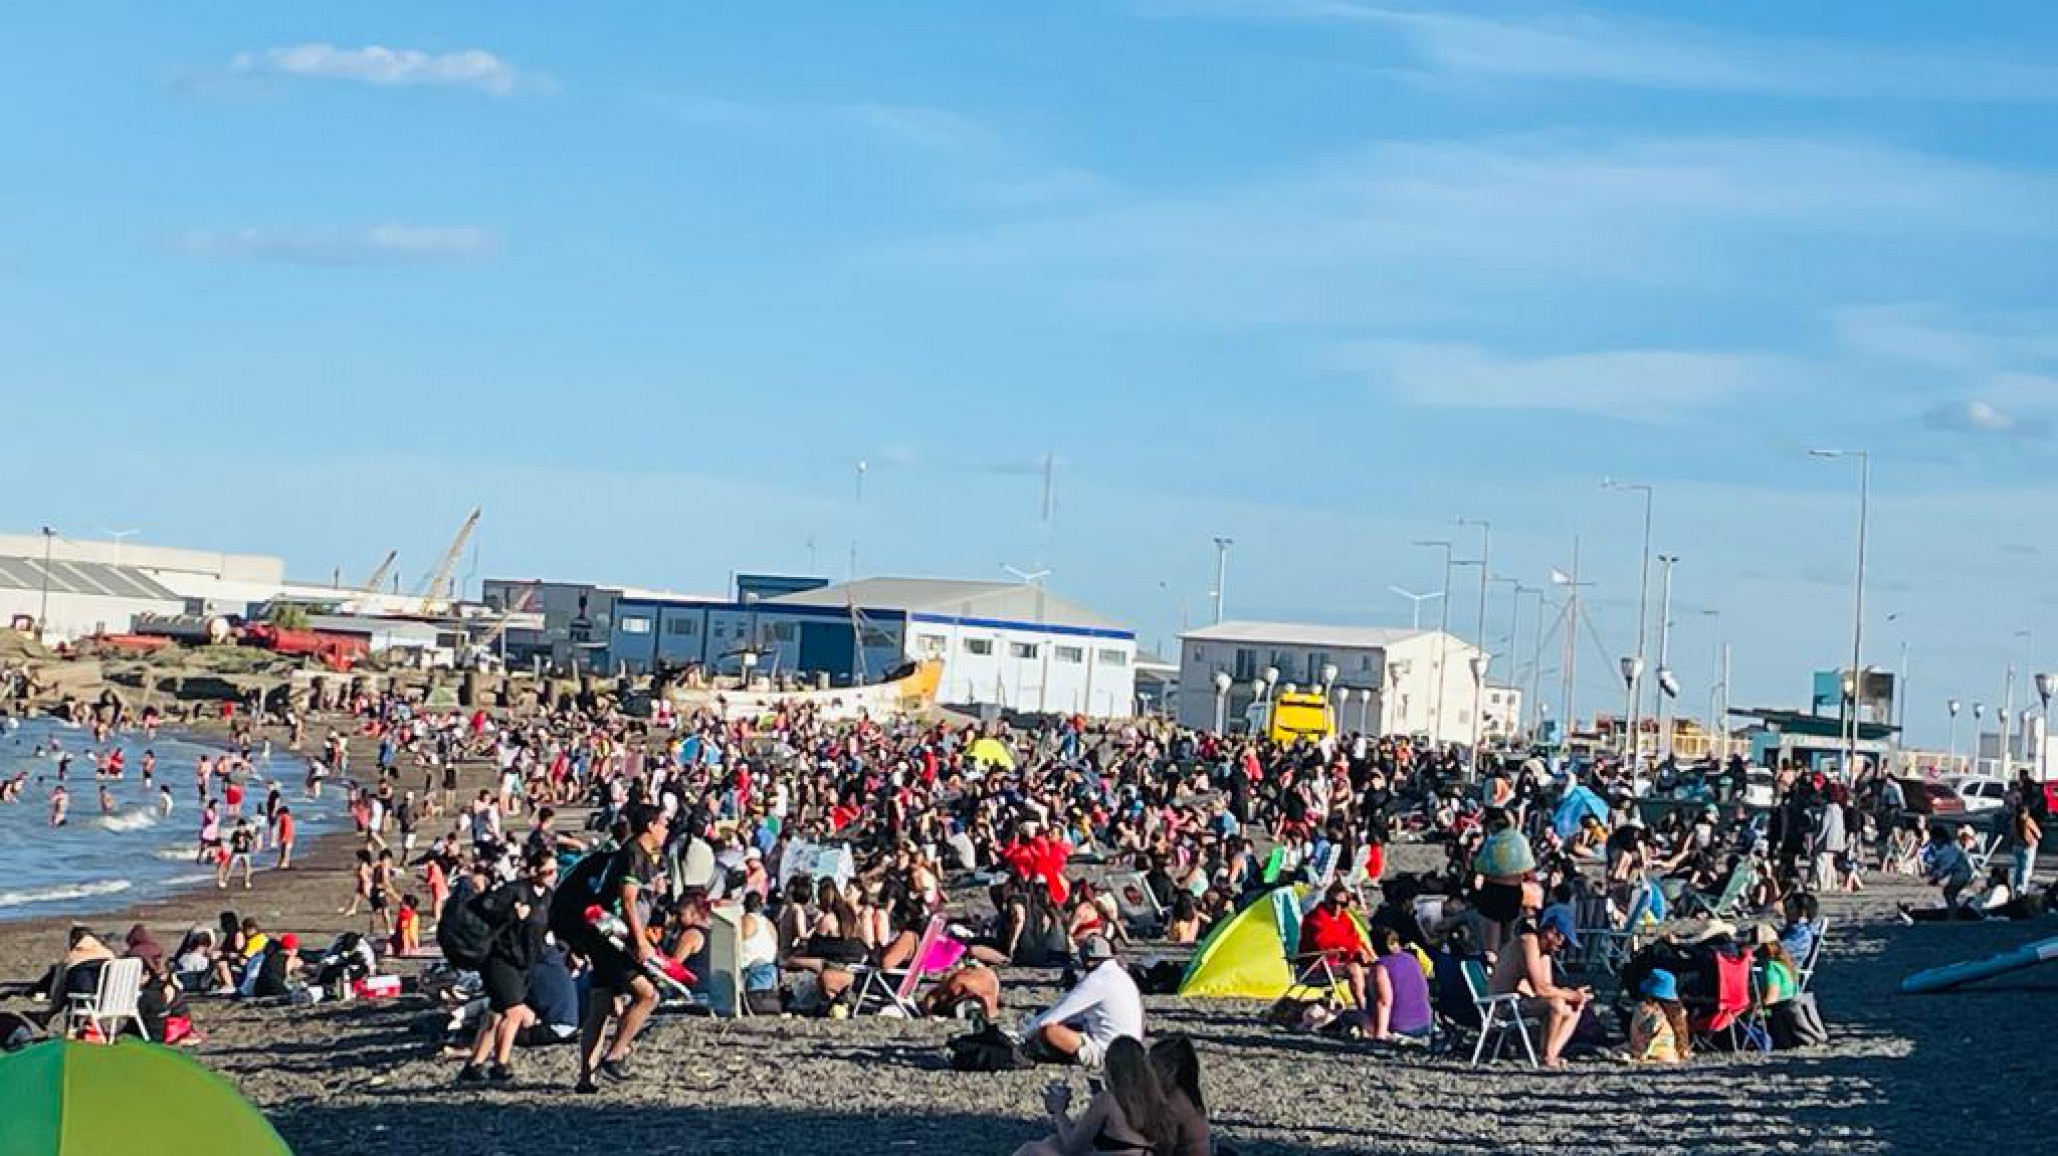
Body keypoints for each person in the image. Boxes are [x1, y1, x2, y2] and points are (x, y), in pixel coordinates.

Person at [549, 803, 665, 1094]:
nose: (666, 829)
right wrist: (640, 943)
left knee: (601, 1004)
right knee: (648, 995)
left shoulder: (630, 853)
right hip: (609, 936)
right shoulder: (634, 854)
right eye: (663, 824)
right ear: (650, 826)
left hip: (596, 933)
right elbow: (627, 901)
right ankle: (615, 1056)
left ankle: (586, 1077)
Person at [459, 850, 557, 1084]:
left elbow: (547, 927)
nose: (553, 876)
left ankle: (474, 1066)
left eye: (555, 871)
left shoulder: (547, 897)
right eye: (549, 871)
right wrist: (510, 914)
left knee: (496, 1014)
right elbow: (481, 907)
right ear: (534, 871)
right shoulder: (514, 891)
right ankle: (500, 1065)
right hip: (499, 959)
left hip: (524, 961)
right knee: (514, 1012)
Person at [1011, 1037, 1171, 1156]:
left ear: (1111, 1071)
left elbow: (1072, 1147)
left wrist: (1058, 1111)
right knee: (1052, 1141)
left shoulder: (1107, 1101)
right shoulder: (1156, 1100)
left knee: (1034, 1150)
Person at [1487, 906, 1590, 1068]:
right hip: (1501, 1005)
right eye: (1561, 939)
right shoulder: (1528, 942)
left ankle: (1551, 1054)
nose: (1562, 946)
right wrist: (1572, 994)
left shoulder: (1544, 952)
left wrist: (1575, 997)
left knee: (1574, 1008)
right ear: (1550, 932)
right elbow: (1541, 989)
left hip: (1517, 1002)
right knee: (1556, 1003)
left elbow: (1547, 988)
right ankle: (1548, 1056)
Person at [1021, 935, 1144, 1068]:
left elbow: (1058, 1012)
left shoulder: (1097, 980)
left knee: (1050, 1031)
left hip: (1107, 1053)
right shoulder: (1120, 975)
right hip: (1131, 1049)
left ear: (1088, 961)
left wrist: (1023, 1034)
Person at [1298, 882, 1372, 1008]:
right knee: (1354, 969)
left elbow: (1354, 938)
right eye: (1333, 902)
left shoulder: (1344, 918)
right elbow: (1325, 944)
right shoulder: (1315, 919)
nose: (1337, 907)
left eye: (1342, 904)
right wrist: (1353, 948)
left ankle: (1378, 1009)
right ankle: (1362, 1007)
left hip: (1338, 962)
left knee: (1379, 967)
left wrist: (1364, 952)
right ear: (1326, 900)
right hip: (1316, 966)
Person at [1367, 926, 1434, 1041]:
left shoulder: (1381, 966)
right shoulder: (1412, 959)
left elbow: (1384, 1002)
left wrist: (1380, 1037)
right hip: (1426, 1024)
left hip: (1400, 1028)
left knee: (1353, 1016)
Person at [1149, 1035, 1211, 1156]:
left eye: (1153, 1065)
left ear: (1171, 1070)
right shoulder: (1186, 1096)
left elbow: (1163, 1150)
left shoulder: (1173, 1105)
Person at [1626, 969, 1690, 1064]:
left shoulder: (1646, 1011)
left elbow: (1642, 1042)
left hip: (1652, 1056)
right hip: (1672, 1056)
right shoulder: (1680, 1013)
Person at [2013, 805, 2042, 895]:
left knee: (2018, 868)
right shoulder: (2028, 820)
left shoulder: (2014, 821)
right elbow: (2039, 834)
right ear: (2026, 812)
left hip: (2016, 846)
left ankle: (2016, 886)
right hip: (2028, 846)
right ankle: (2022, 888)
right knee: (2026, 869)